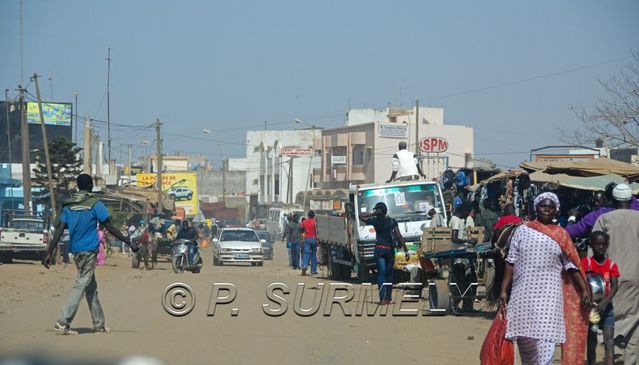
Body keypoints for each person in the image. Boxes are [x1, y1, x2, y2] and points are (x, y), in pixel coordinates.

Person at [499, 192, 591, 364]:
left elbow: (571, 265)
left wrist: (584, 289)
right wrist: (504, 290)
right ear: (536, 208)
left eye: (550, 207)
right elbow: (510, 262)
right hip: (523, 297)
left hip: (549, 299)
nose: (546, 209)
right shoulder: (522, 231)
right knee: (527, 348)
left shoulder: (562, 235)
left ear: (556, 210)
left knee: (546, 346)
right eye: (543, 206)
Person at [42, 173, 138, 335]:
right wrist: (128, 242)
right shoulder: (94, 204)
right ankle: (62, 322)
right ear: (89, 187)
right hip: (89, 250)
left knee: (90, 286)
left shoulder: (68, 204)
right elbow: (109, 227)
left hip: (76, 251)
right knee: (81, 284)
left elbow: (59, 230)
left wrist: (49, 252)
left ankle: (99, 324)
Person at [593, 184, 639, 364]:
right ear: (630, 199)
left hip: (611, 278)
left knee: (611, 319)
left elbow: (595, 252)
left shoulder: (604, 219)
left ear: (613, 200)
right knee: (635, 319)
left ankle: (615, 354)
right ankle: (631, 360)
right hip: (637, 277)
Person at [359, 202, 409, 305]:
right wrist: (406, 250)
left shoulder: (374, 220)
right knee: (389, 274)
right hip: (389, 250)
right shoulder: (392, 221)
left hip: (379, 249)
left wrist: (373, 214)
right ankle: (388, 298)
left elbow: (360, 216)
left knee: (381, 274)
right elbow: (399, 236)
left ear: (378, 211)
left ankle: (382, 299)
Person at [582, 231, 619, 365]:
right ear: (591, 245)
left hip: (607, 309)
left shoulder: (611, 265)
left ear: (607, 245)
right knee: (591, 342)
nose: (601, 247)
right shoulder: (586, 263)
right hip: (591, 310)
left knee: (609, 342)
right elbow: (581, 282)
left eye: (604, 244)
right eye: (598, 244)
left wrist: (605, 302)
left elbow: (615, 286)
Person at [567, 183, 639, 239]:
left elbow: (570, 232)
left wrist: (572, 217)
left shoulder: (601, 214)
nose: (595, 203)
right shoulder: (636, 210)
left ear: (609, 199)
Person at [300, 211, 318, 276]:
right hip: (314, 239)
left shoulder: (304, 222)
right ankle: (313, 270)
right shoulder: (315, 222)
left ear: (308, 215)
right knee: (313, 254)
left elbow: (301, 230)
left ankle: (304, 266)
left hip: (307, 239)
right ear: (313, 216)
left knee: (306, 253)